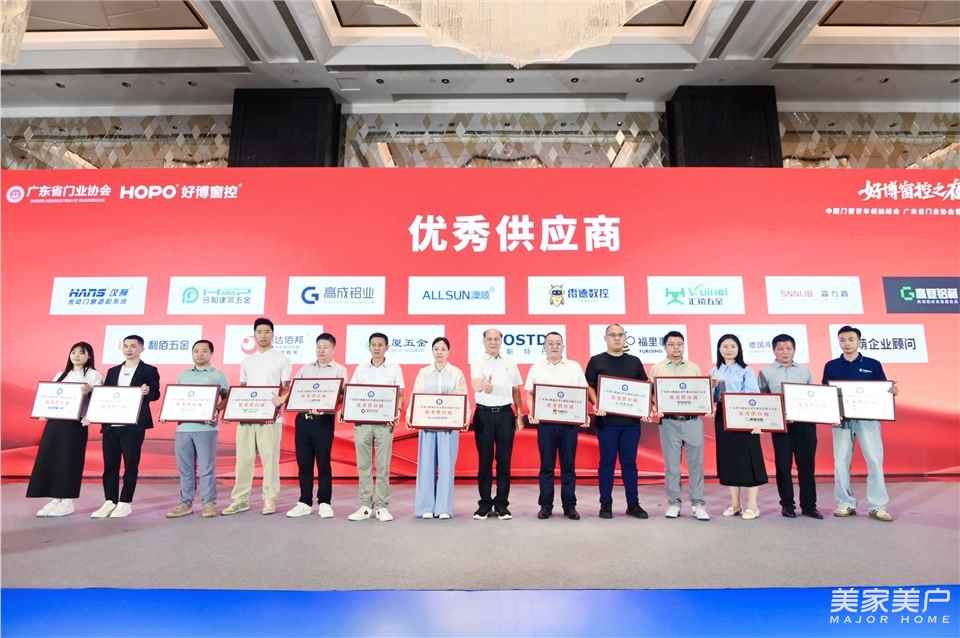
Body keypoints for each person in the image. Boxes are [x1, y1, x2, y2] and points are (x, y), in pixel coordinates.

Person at [822, 325, 897, 522]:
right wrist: (831, 415)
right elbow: (826, 393)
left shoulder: (873, 364)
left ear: (858, 341)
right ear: (838, 342)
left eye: (851, 339)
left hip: (868, 420)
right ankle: (845, 503)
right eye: (843, 340)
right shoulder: (831, 365)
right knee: (841, 462)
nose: (847, 343)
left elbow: (883, 390)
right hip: (841, 421)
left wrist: (891, 391)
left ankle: (878, 506)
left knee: (874, 460)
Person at [222, 318, 291, 516]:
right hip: (247, 417)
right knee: (243, 459)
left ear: (273, 334)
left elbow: (286, 388)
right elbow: (243, 389)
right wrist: (234, 411)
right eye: (259, 332)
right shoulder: (247, 361)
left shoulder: (281, 359)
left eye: (267, 331)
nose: (263, 335)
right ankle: (240, 500)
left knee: (270, 459)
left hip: (271, 418)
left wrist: (281, 401)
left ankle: (270, 499)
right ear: (254, 335)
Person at [28, 342, 102, 517]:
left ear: (89, 356)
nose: (76, 356)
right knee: (51, 458)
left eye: (81, 353)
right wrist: (43, 412)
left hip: (74, 425)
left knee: (69, 460)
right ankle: (55, 498)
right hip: (55, 423)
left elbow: (99, 398)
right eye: (73, 352)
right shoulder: (60, 374)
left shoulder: (94, 375)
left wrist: (91, 390)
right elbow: (50, 395)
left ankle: (67, 500)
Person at [91, 334, 161, 519]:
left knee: (130, 464)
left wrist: (148, 391)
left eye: (133, 346)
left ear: (141, 349)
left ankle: (125, 502)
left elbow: (155, 394)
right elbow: (105, 395)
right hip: (111, 425)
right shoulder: (113, 371)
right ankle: (110, 500)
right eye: (126, 346)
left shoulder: (149, 370)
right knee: (110, 465)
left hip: (133, 426)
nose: (129, 349)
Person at [585, 323, 651, 520]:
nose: (616, 338)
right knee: (607, 463)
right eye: (612, 335)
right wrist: (597, 403)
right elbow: (588, 386)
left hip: (631, 424)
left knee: (629, 464)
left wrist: (645, 407)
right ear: (605, 338)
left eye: (620, 335)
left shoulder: (634, 361)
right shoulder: (596, 361)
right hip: (607, 423)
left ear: (625, 338)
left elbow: (644, 387)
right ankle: (605, 505)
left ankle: (633, 504)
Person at [522, 331, 588, 520]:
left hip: (569, 425)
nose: (554, 346)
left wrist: (583, 414)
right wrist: (533, 412)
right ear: (544, 346)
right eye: (550, 343)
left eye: (558, 343)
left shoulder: (574, 367)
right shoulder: (537, 368)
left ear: (563, 346)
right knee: (546, 467)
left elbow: (582, 393)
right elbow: (529, 395)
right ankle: (546, 506)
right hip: (546, 425)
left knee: (569, 466)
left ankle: (570, 506)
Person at [758, 334, 822, 519]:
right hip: (782, 427)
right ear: (774, 351)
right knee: (783, 467)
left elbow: (813, 396)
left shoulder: (805, 371)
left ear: (794, 350)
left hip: (805, 425)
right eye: (780, 348)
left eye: (788, 348)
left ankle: (809, 506)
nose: (784, 352)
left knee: (807, 467)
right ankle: (787, 505)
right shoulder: (765, 373)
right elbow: (764, 399)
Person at [165, 340, 230, 520]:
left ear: (211, 353)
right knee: (185, 468)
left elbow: (227, 398)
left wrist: (215, 410)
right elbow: (177, 399)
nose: (199, 354)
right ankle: (185, 503)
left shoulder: (218, 375)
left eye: (204, 351)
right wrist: (169, 412)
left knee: (206, 468)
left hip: (206, 428)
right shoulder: (183, 375)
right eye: (196, 351)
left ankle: (209, 503)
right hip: (183, 428)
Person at [286, 333, 347, 519]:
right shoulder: (305, 369)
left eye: (325, 347)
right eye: (319, 347)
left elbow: (342, 396)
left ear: (333, 349)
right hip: (303, 420)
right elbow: (294, 391)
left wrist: (329, 406)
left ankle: (325, 502)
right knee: (304, 463)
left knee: (323, 462)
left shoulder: (339, 370)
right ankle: (304, 502)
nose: (321, 350)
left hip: (324, 421)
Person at [650, 330, 710, 521]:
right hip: (669, 422)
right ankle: (674, 503)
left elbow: (701, 393)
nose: (676, 348)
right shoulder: (657, 368)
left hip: (692, 421)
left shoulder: (694, 368)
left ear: (684, 346)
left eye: (679, 344)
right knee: (672, 466)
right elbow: (651, 394)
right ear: (665, 347)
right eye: (671, 344)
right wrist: (655, 406)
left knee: (696, 465)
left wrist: (707, 404)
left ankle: (698, 504)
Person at [346, 332, 405, 523]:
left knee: (383, 466)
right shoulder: (361, 368)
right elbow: (352, 393)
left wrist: (396, 411)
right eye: (373, 344)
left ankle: (381, 506)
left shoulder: (394, 369)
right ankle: (365, 505)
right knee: (363, 465)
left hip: (384, 424)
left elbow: (400, 394)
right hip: (362, 423)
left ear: (387, 347)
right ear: (369, 347)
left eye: (380, 345)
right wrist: (348, 411)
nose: (377, 348)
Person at [407, 337, 468, 519]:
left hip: (449, 427)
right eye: (436, 348)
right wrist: (411, 416)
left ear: (448, 351)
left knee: (447, 467)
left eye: (443, 349)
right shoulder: (424, 372)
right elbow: (416, 395)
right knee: (426, 465)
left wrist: (464, 418)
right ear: (432, 351)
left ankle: (443, 508)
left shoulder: (456, 373)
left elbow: (462, 397)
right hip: (427, 425)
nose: (439, 352)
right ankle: (425, 507)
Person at [710, 334, 766, 520]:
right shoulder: (714, 370)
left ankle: (752, 506)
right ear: (719, 349)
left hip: (744, 415)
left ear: (739, 349)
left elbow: (753, 396)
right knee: (729, 460)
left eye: (732, 346)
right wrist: (711, 387)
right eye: (725, 346)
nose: (728, 349)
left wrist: (753, 421)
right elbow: (710, 399)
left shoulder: (746, 370)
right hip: (722, 417)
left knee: (748, 459)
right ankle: (735, 505)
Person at [469, 328, 523, 521]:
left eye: (496, 339)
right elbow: (477, 385)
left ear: (501, 341)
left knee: (504, 461)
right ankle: (484, 504)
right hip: (483, 415)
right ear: (484, 342)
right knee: (484, 461)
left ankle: (501, 505)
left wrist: (519, 414)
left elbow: (516, 390)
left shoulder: (510, 363)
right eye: (489, 339)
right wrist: (486, 386)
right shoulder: (477, 362)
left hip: (505, 415)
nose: (493, 342)